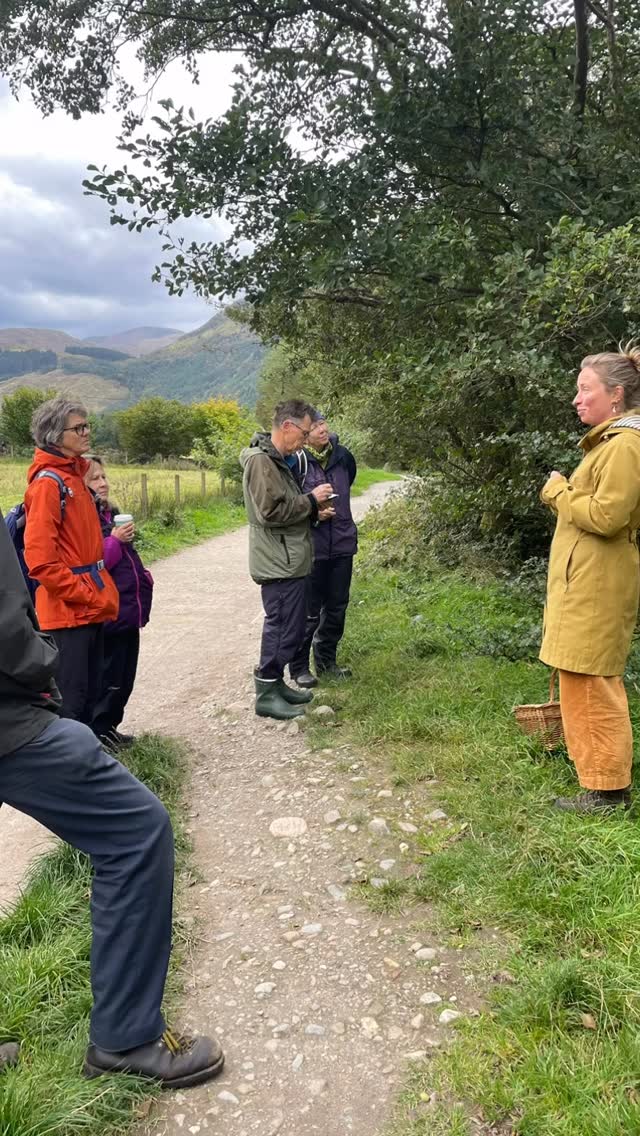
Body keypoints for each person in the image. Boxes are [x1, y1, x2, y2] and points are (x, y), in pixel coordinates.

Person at [0, 506, 224, 1087]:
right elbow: (7, 625)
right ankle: (125, 1038)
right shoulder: (52, 488)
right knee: (135, 831)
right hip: (8, 720)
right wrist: (42, 670)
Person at [540, 342, 640, 813]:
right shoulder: (611, 443)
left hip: (599, 584)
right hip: (589, 581)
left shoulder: (625, 446)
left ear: (615, 396)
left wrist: (558, 491)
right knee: (579, 675)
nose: (576, 399)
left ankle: (608, 791)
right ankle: (597, 777)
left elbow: (607, 517)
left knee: (593, 679)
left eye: (585, 390)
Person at [23, 398, 119, 727]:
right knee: (71, 704)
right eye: (78, 428)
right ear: (54, 435)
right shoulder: (49, 485)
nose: (86, 432)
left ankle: (90, 771)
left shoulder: (75, 477)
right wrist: (83, 592)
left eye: (87, 425)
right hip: (66, 615)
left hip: (86, 608)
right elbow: (39, 561)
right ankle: (71, 775)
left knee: (90, 695)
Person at [240, 399, 335, 720]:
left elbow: (285, 506)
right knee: (281, 626)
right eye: (305, 432)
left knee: (291, 626)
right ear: (287, 426)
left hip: (289, 558)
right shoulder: (261, 462)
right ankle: (266, 692)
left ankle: (276, 684)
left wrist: (313, 512)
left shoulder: (279, 460)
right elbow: (270, 512)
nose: (307, 439)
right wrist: (311, 500)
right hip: (277, 561)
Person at [85, 456, 153, 750]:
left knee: (125, 677)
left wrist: (145, 577)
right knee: (108, 677)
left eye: (103, 476)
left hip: (128, 610)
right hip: (108, 613)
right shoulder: (84, 520)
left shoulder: (108, 514)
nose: (103, 483)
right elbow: (96, 563)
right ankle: (99, 734)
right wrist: (114, 539)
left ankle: (111, 727)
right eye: (95, 478)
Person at [289, 414, 358, 687]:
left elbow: (348, 484)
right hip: (311, 548)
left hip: (342, 544)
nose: (322, 429)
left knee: (337, 607)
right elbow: (290, 504)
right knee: (308, 611)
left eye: (324, 423)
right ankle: (298, 667)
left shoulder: (343, 457)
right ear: (304, 433)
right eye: (316, 426)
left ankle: (327, 663)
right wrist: (315, 514)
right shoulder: (296, 462)